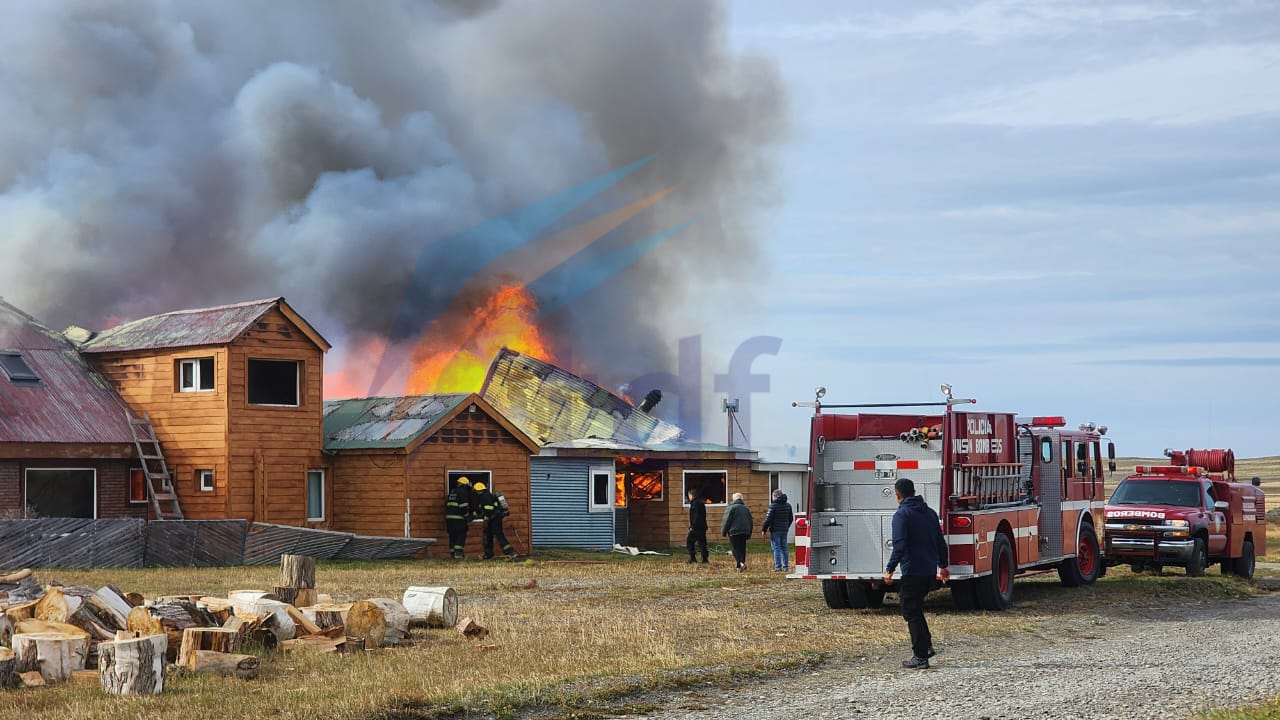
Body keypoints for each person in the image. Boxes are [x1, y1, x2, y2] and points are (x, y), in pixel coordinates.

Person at [883, 477, 949, 669]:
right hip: (928, 571)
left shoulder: (902, 515)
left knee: (910, 610)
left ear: (897, 495)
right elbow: (939, 542)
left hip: (912, 570)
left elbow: (899, 545)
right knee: (916, 608)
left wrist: (889, 569)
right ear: (914, 491)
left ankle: (920, 656)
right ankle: (926, 646)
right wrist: (943, 566)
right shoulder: (930, 513)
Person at [475, 482, 518, 560]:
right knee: (488, 536)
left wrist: (485, 521)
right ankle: (488, 555)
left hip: (494, 518)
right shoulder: (487, 495)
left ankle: (511, 552)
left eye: (476, 491)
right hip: (493, 518)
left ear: (479, 490)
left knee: (498, 535)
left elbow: (488, 509)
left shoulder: (484, 496)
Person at [760, 489, 794, 572]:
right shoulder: (788, 505)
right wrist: (786, 526)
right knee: (784, 548)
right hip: (784, 530)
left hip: (775, 530)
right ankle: (785, 567)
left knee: (776, 548)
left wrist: (764, 529)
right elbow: (791, 518)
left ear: (774, 496)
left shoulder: (773, 506)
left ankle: (778, 567)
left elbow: (768, 519)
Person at [720, 492, 754, 572]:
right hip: (745, 532)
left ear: (734, 499)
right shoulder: (746, 509)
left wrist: (724, 532)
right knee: (742, 549)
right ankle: (739, 567)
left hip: (734, 532)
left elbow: (727, 521)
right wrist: (749, 533)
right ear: (741, 499)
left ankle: (741, 563)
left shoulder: (731, 508)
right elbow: (750, 521)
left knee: (734, 549)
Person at [444, 476, 474, 559]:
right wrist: (468, 516)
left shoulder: (452, 492)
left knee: (452, 536)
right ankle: (458, 554)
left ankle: (453, 554)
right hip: (458, 519)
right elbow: (463, 507)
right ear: (465, 485)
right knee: (461, 535)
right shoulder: (462, 492)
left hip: (449, 520)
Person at [686, 488, 709, 564]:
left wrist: (693, 526)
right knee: (702, 543)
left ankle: (692, 558)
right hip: (702, 526)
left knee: (690, 541)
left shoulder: (695, 504)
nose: (688, 497)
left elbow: (696, 516)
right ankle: (705, 559)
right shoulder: (701, 503)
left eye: (689, 495)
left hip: (696, 527)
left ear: (691, 495)